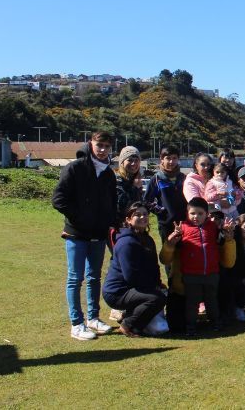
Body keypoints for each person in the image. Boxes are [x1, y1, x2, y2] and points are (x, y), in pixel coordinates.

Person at [52, 131, 117, 340]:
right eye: (99, 145)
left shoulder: (108, 173)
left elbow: (112, 204)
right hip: (77, 234)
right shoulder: (75, 168)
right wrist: (79, 219)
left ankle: (93, 318)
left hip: (98, 234)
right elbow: (59, 199)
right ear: (91, 144)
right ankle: (76, 323)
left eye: (107, 146)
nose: (103, 149)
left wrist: (110, 222)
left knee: (94, 277)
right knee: (75, 278)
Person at [171, 196, 235, 337]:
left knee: (211, 300)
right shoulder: (183, 228)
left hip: (211, 272)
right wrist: (176, 235)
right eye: (193, 213)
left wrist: (226, 230)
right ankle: (191, 325)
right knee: (192, 302)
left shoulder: (212, 227)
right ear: (187, 213)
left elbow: (221, 241)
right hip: (191, 274)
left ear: (207, 214)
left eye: (200, 213)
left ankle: (215, 322)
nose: (196, 217)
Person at [102, 203, 166, 337]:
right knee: (156, 298)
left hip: (134, 287)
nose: (142, 217)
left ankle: (128, 315)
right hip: (117, 292)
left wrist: (158, 284)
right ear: (128, 219)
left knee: (162, 295)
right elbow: (131, 276)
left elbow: (154, 266)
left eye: (145, 214)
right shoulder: (127, 243)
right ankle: (128, 325)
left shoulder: (147, 239)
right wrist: (152, 289)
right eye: (137, 215)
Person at [144, 145, 187, 243]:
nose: (171, 162)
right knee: (168, 255)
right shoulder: (156, 179)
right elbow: (146, 201)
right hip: (166, 224)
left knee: (184, 254)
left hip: (184, 223)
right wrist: (162, 212)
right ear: (161, 159)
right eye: (168, 158)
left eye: (174, 158)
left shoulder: (183, 178)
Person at [115, 146, 143, 229]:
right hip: (120, 228)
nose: (133, 163)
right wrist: (135, 189)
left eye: (136, 160)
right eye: (130, 160)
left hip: (136, 226)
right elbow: (122, 207)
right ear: (122, 162)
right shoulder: (116, 181)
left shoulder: (135, 180)